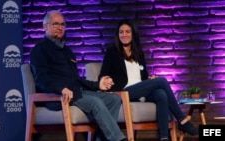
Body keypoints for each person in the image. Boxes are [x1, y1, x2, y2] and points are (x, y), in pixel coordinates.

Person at [30, 10, 128, 141]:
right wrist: (61, 89)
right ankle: (119, 139)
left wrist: (96, 85)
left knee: (114, 99)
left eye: (62, 24)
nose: (60, 27)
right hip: (58, 96)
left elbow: (76, 79)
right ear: (45, 26)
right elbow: (41, 79)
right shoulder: (39, 50)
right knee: (95, 102)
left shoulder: (67, 51)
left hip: (77, 92)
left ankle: (102, 138)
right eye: (55, 24)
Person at [98, 19, 198, 141]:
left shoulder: (138, 53)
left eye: (127, 31)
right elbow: (102, 75)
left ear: (133, 34)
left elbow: (143, 75)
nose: (124, 35)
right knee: (162, 81)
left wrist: (149, 79)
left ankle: (164, 137)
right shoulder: (112, 52)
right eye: (121, 32)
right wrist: (104, 80)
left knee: (161, 94)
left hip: (140, 90)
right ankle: (182, 119)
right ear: (117, 35)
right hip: (124, 92)